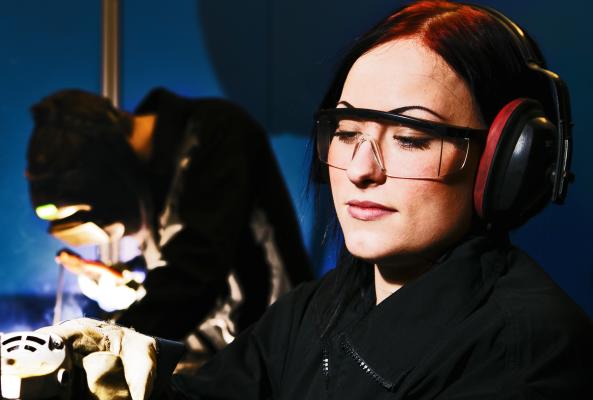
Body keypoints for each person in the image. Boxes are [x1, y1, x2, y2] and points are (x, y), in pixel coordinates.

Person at [36, 1, 593, 399]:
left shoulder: (530, 353)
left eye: (410, 137)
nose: (359, 169)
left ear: (508, 163)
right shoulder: (315, 309)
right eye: (347, 133)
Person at [25, 87, 314, 354]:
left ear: (106, 174)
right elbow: (180, 271)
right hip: (231, 358)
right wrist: (123, 283)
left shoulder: (216, 132)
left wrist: (110, 345)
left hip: (283, 357)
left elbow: (194, 276)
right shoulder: (152, 181)